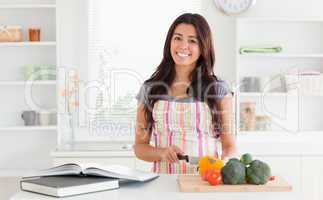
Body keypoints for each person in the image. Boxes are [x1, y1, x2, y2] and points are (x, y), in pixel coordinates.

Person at [134, 13, 236, 174]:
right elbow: (140, 147)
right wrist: (161, 153)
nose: (183, 46)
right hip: (162, 183)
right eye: (178, 38)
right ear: (170, 42)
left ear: (203, 47)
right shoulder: (150, 89)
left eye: (192, 41)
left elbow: (229, 146)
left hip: (205, 183)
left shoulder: (218, 90)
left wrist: (224, 163)